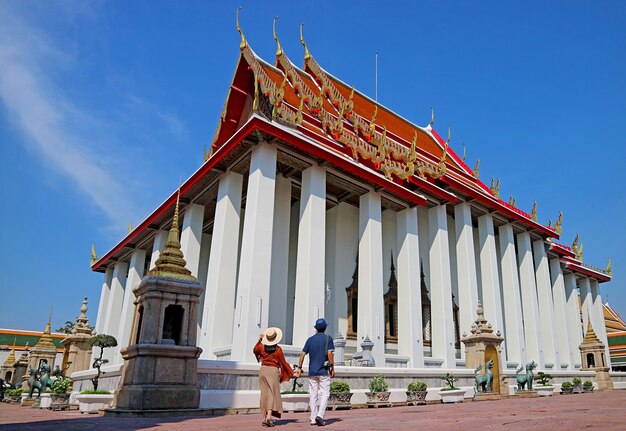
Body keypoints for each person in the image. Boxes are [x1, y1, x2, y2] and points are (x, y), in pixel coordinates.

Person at [294, 318, 335, 427]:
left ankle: (313, 418)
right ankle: (320, 415)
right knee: (325, 393)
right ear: (325, 328)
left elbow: (302, 354)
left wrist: (299, 367)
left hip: (312, 371)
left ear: (316, 328)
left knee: (313, 394)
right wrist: (332, 368)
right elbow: (330, 354)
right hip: (323, 371)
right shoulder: (328, 339)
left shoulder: (310, 340)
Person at [253, 327, 294, 427]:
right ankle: (268, 417)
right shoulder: (278, 349)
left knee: (264, 395)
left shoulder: (261, 347)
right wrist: (292, 372)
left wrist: (259, 340)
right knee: (271, 393)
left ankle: (263, 418)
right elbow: (283, 363)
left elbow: (255, 350)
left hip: (263, 370)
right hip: (272, 371)